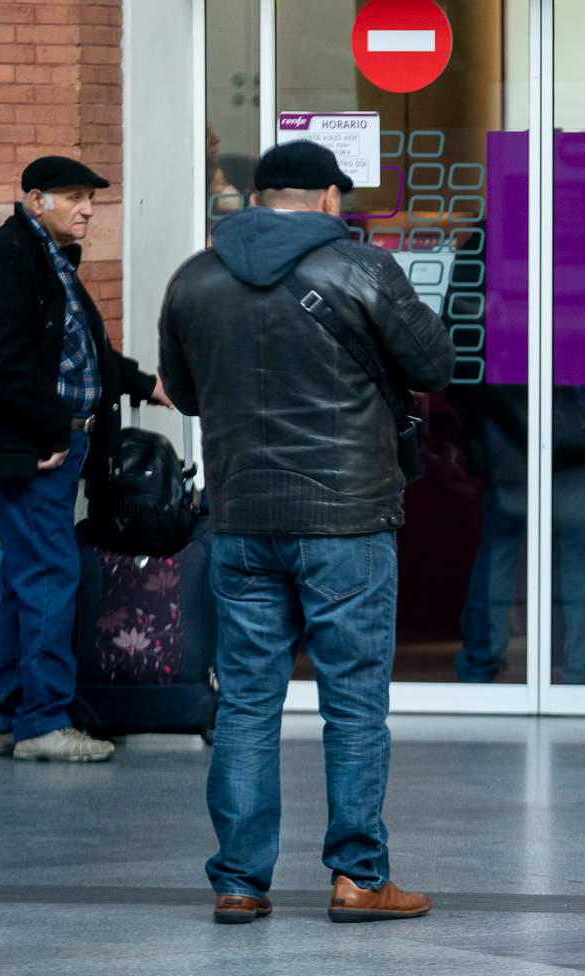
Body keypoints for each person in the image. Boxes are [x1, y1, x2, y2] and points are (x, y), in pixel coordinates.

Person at [157, 140, 455, 926]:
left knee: (248, 703)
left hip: (242, 520)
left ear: (258, 197)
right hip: (346, 522)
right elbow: (434, 363)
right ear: (328, 198)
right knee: (353, 704)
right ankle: (358, 877)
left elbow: (184, 393)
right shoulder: (362, 267)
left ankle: (239, 881)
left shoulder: (194, 277)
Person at [0, 155, 170, 764]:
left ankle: (2, 718)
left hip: (48, 443)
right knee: (50, 573)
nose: (87, 209)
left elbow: (84, 355)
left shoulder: (49, 262)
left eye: (91, 198)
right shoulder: (9, 262)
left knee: (27, 579)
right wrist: (49, 429)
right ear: (37, 198)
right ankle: (43, 722)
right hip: (34, 449)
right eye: (74, 197)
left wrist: (144, 382)